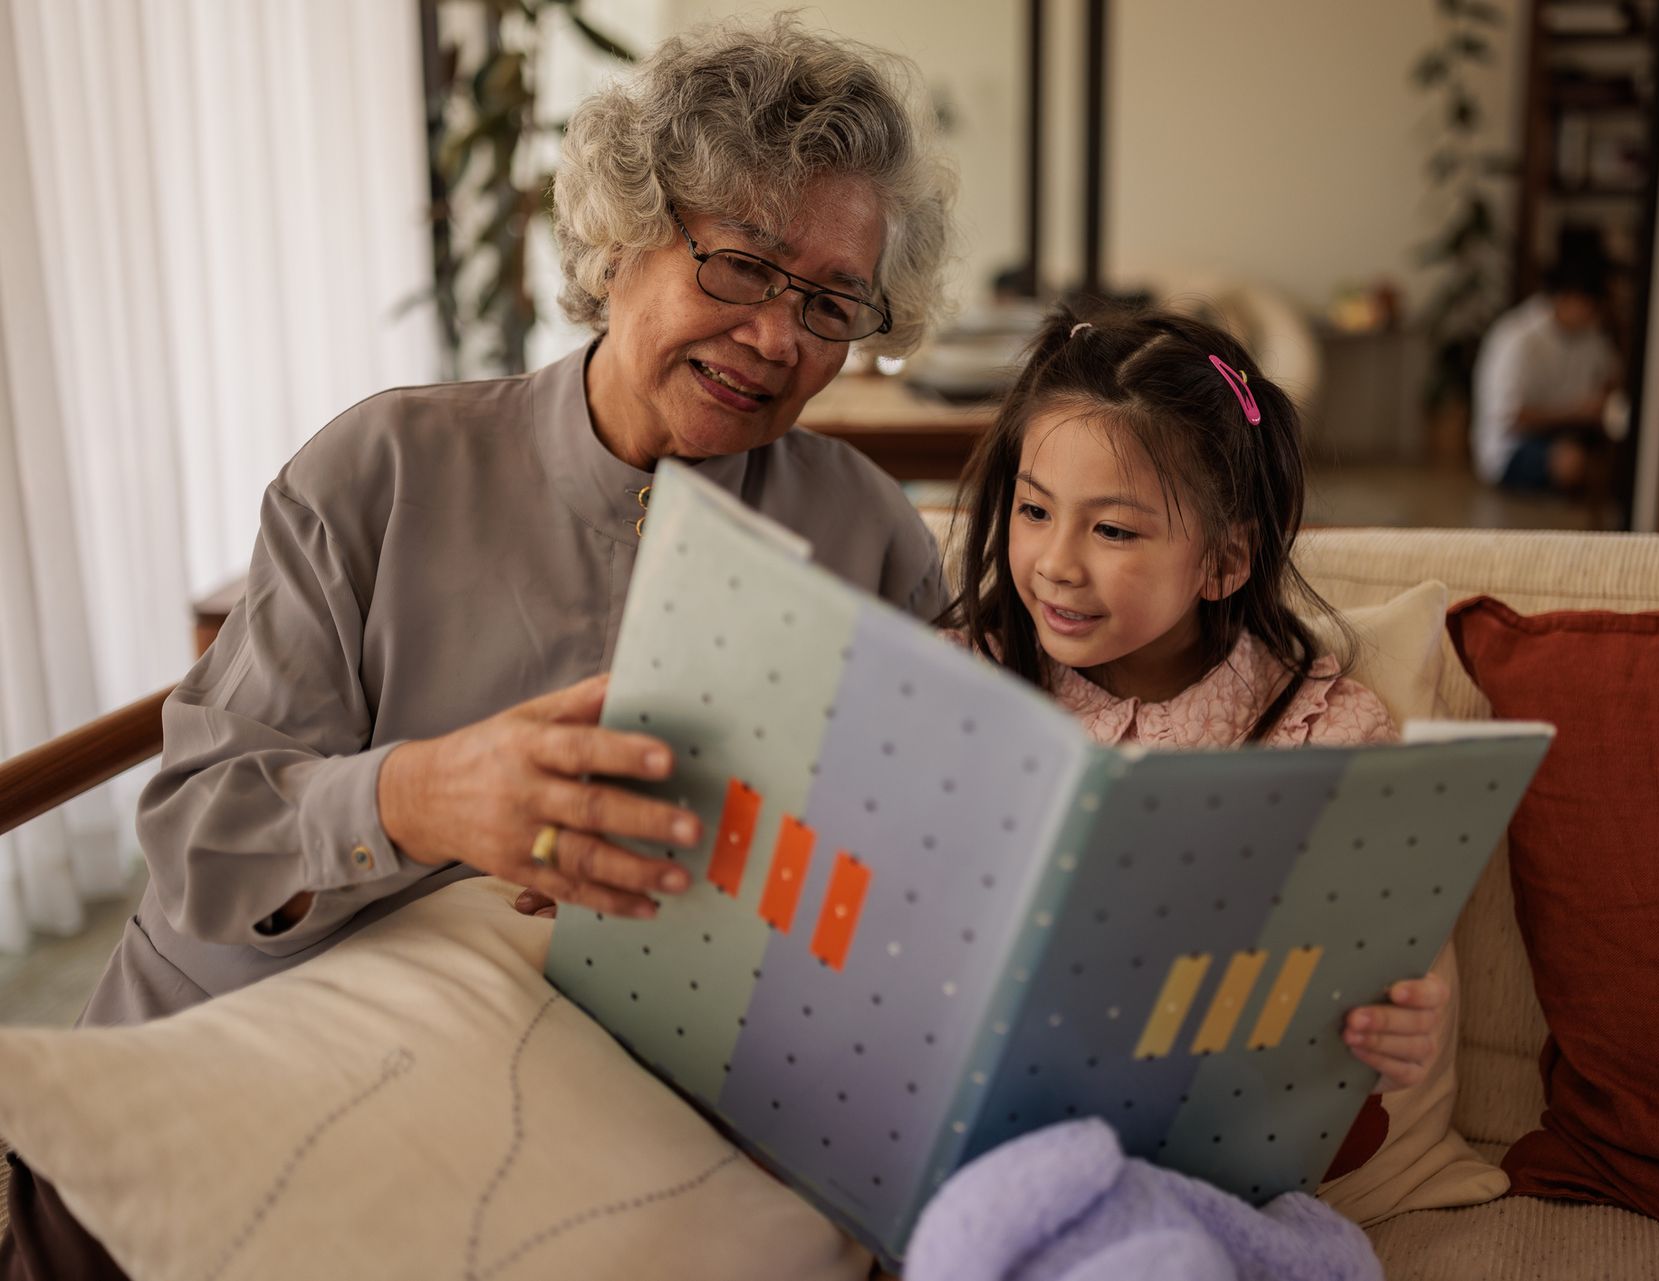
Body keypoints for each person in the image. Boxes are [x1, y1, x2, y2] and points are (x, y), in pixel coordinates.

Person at [1, 16, 955, 1278]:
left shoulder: (865, 535)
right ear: (618, 243)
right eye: (739, 265)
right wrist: (417, 796)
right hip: (248, 1060)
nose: (782, 337)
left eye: (831, 301)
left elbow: (928, 860)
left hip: (565, 1114)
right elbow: (202, 839)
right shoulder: (383, 469)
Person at [937, 305, 1449, 1109]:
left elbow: (1356, 995)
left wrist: (1398, 1033)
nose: (1056, 564)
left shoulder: (1329, 741)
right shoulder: (956, 686)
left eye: (1111, 528)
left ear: (1226, 559)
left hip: (1205, 1147)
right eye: (1034, 511)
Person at [1470, 254, 1619, 495]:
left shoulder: (1590, 335)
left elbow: (1608, 375)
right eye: (1590, 308)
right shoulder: (1519, 339)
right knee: (1572, 462)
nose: (1594, 317)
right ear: (1569, 299)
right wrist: (1576, 411)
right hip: (1511, 448)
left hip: (1565, 433)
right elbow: (1510, 416)